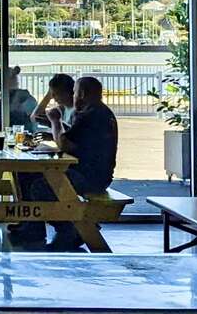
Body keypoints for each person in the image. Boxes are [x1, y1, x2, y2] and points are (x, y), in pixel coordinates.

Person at [11, 76, 119, 250]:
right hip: (98, 174)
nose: (74, 95)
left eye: (75, 92)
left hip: (89, 177)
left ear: (81, 94)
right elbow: (77, 141)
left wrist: (55, 121)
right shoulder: (100, 112)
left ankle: (72, 228)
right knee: (27, 174)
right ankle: (33, 226)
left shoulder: (89, 115)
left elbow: (65, 144)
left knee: (41, 186)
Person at [0, 66, 37, 133]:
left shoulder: (25, 98)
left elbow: (33, 119)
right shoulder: (0, 103)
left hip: (22, 136)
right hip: (13, 135)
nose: (16, 78)